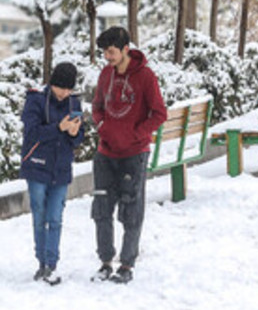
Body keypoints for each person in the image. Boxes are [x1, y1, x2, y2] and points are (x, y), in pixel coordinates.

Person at [90, 26, 167, 284]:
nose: (108, 57)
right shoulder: (105, 74)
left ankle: (126, 264)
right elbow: (98, 106)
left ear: (125, 49)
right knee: (102, 209)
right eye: (105, 53)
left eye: (111, 52)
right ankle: (104, 261)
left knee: (131, 209)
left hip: (133, 154)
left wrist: (136, 134)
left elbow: (159, 113)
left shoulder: (145, 77)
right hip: (105, 153)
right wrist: (102, 126)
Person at [20, 61, 85, 285]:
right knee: (40, 216)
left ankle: (52, 263)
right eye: (61, 88)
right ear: (52, 83)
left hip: (61, 168)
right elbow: (32, 133)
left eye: (69, 89)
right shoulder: (36, 101)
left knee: (55, 218)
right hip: (37, 166)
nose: (64, 93)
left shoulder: (73, 103)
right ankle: (41, 263)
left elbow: (78, 138)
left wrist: (75, 133)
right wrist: (58, 128)